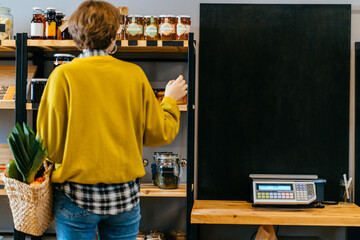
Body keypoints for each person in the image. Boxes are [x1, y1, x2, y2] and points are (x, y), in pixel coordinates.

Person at [36, 1, 187, 239]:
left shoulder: (62, 76)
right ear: (114, 35)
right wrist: (169, 100)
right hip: (124, 197)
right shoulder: (134, 75)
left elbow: (48, 146)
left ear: (76, 34)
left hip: (75, 195)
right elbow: (160, 134)